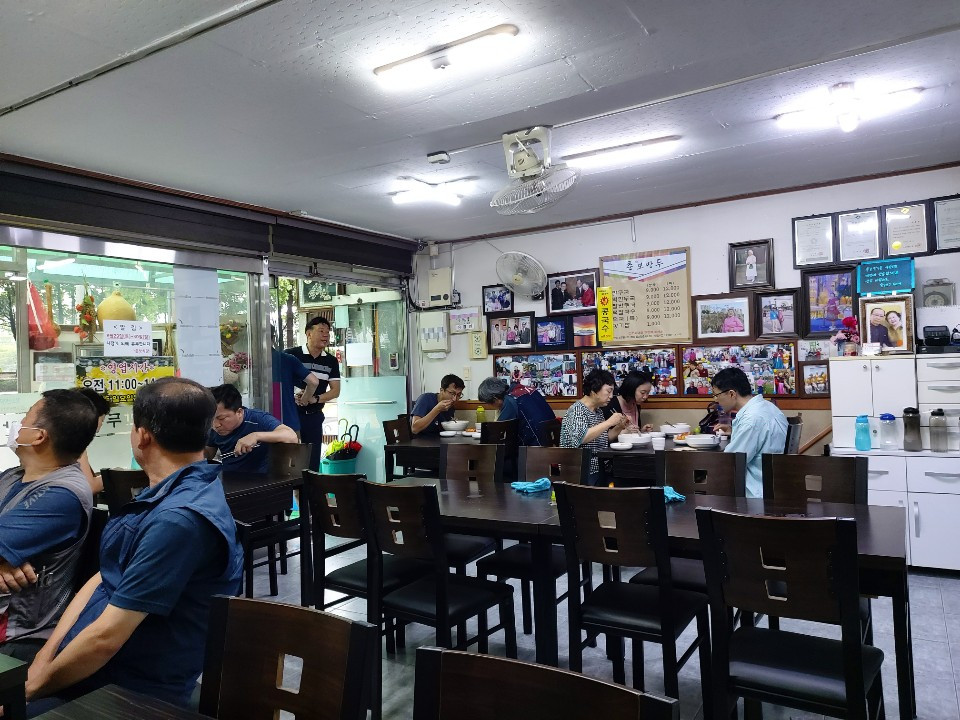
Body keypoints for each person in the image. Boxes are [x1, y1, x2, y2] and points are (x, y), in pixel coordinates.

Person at [24, 379, 242, 711]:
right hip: (91, 666)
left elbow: (105, 639)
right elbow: (105, 576)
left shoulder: (179, 520)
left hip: (129, 689)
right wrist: (46, 655)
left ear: (142, 436)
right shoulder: (167, 493)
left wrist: (30, 691)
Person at [0, 390, 98, 664]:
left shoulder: (62, 493)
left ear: (39, 436)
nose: (17, 423)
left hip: (17, 639)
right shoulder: (12, 477)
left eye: (25, 417)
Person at [712, 367, 787, 498]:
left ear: (731, 394)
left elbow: (730, 463)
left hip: (755, 494)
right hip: (775, 486)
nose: (715, 400)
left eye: (716, 395)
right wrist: (734, 431)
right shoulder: (768, 407)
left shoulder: (751, 420)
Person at [286, 316, 341, 471]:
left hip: (314, 417)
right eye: (321, 331)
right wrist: (296, 394)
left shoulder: (331, 361)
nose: (326, 335)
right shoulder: (291, 355)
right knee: (290, 461)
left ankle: (310, 487)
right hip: (291, 415)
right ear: (308, 333)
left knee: (312, 462)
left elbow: (335, 391)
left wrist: (315, 399)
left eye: (328, 332)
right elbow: (280, 382)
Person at [206, 384, 298, 474]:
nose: (216, 425)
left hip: (260, 479)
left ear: (239, 412)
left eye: (222, 418)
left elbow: (291, 436)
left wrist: (256, 436)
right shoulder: (213, 428)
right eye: (211, 419)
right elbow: (209, 454)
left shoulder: (257, 419)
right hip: (228, 478)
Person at [560, 370, 625, 485]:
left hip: (600, 466)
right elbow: (581, 438)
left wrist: (620, 427)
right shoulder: (577, 410)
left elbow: (603, 438)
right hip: (583, 470)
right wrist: (609, 422)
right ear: (594, 389)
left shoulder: (597, 411)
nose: (611, 396)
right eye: (608, 391)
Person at [477, 377, 556, 448]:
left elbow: (498, 431)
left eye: (489, 403)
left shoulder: (511, 400)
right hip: (551, 443)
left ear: (495, 398)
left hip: (533, 448)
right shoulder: (529, 389)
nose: (491, 406)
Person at [271, 327, 318, 436]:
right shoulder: (287, 359)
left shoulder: (247, 361)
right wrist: (304, 400)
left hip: (257, 427)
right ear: (273, 338)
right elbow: (313, 381)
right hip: (288, 425)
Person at [76, 388, 112, 494]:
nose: (100, 426)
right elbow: (90, 486)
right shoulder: (75, 442)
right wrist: (114, 475)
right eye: (102, 420)